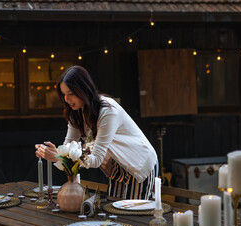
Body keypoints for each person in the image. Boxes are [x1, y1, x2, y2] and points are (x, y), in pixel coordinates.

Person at [35, 65, 158, 200]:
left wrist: (60, 157)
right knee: (113, 209)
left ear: (84, 89)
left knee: (131, 214)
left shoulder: (107, 111)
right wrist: (59, 155)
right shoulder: (75, 113)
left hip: (139, 162)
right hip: (116, 165)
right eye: (63, 94)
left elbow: (96, 159)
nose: (66, 99)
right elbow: (68, 147)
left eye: (71, 94)